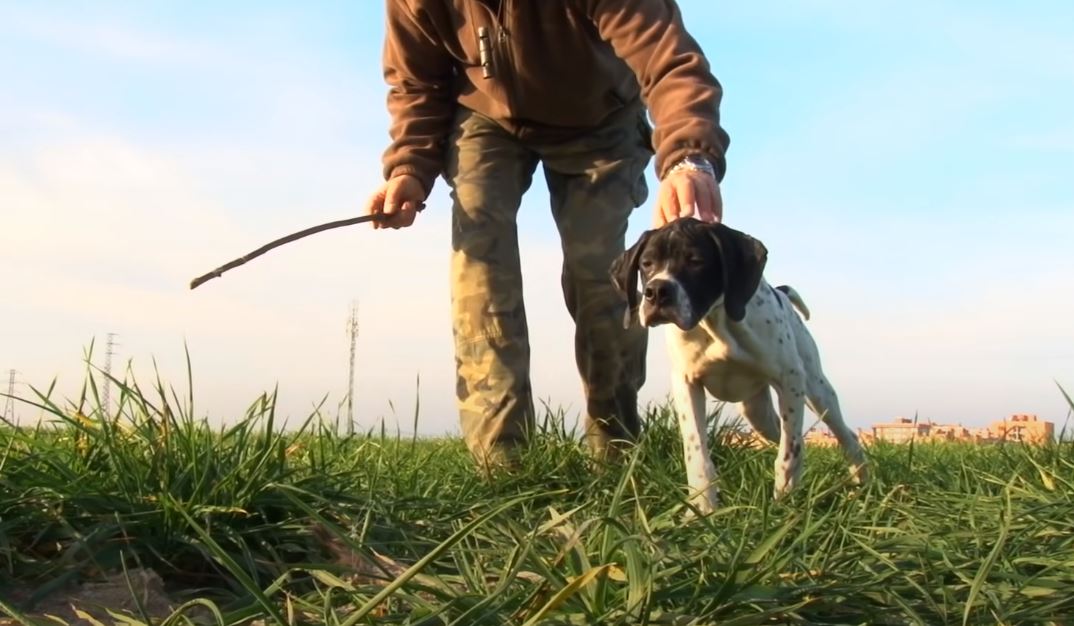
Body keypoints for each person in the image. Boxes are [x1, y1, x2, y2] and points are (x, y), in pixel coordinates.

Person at [362, 0, 730, 469]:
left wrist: (687, 156)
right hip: (486, 118)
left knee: (600, 274)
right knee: (479, 270)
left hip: (601, 117)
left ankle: (616, 451)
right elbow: (416, 82)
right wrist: (410, 168)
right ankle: (503, 466)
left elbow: (668, 56)